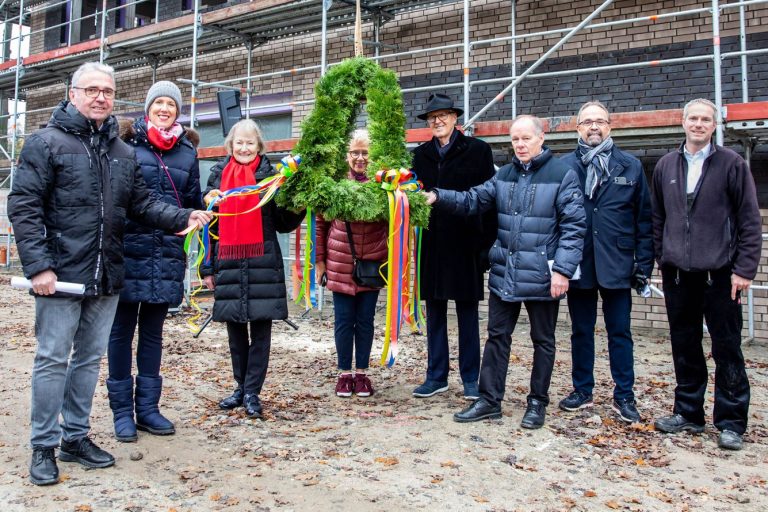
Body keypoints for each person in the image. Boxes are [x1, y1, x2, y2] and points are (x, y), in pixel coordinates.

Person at [8, 62, 212, 486]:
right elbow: (24, 207)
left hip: (106, 277)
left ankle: (76, 437)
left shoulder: (120, 153)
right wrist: (39, 266)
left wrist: (184, 215)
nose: (101, 97)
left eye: (109, 91)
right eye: (93, 89)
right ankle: (43, 445)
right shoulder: (45, 143)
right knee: (51, 360)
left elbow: (142, 204)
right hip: (60, 277)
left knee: (87, 360)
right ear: (73, 93)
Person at [424, 115, 585, 429]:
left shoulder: (562, 174)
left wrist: (563, 270)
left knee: (543, 340)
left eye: (526, 139)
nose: (520, 145)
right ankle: (489, 400)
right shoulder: (505, 175)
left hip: (542, 275)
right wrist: (439, 196)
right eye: (515, 140)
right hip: (505, 273)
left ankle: (537, 402)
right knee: (497, 338)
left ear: (541, 139)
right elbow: (473, 199)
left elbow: (574, 227)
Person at [651, 98, 761, 450]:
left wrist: (744, 269)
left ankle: (731, 421)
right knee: (684, 345)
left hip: (721, 275)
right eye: (693, 118)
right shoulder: (666, 165)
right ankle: (688, 413)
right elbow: (657, 218)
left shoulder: (732, 164)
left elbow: (748, 220)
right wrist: (662, 256)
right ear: (682, 123)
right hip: (679, 275)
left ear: (714, 126)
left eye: (705, 120)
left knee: (726, 347)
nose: (698, 124)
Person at [106, 81, 203, 443]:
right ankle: (121, 412)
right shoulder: (125, 146)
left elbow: (190, 201)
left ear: (178, 111)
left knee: (153, 333)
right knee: (120, 332)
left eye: (171, 104)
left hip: (166, 253)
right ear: (148, 108)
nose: (165, 108)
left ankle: (147, 408)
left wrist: (204, 205)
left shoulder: (187, 152)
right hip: (128, 248)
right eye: (159, 102)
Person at [202, 119, 305, 419]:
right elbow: (210, 225)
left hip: (263, 261)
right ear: (231, 145)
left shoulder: (272, 176)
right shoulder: (218, 175)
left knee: (261, 331)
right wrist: (208, 268)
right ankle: (239, 386)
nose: (244, 148)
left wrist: (298, 204)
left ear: (259, 146)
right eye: (239, 143)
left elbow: (283, 222)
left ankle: (252, 391)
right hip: (229, 262)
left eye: (250, 143)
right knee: (235, 330)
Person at [558, 101, 653, 424]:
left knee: (620, 332)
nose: (594, 127)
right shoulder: (564, 166)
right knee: (581, 331)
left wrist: (644, 265)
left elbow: (644, 220)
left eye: (600, 121)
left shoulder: (630, 166)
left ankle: (624, 395)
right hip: (579, 262)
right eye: (587, 122)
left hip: (618, 263)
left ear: (610, 126)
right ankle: (582, 389)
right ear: (578, 128)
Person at [411, 93, 497, 400]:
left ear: (455, 118)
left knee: (468, 315)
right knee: (434, 313)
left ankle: (471, 377)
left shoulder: (478, 151)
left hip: (466, 243)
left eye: (443, 115)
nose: (437, 121)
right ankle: (436, 376)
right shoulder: (419, 156)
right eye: (432, 117)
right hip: (432, 244)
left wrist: (486, 246)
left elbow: (489, 202)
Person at [315, 129, 388, 397]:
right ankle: (344, 373)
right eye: (355, 152)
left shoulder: (384, 185)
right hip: (339, 262)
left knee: (366, 321)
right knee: (344, 321)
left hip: (371, 265)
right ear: (347, 156)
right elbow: (320, 225)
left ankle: (363, 374)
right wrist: (319, 262)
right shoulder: (334, 185)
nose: (360, 158)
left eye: (365, 153)